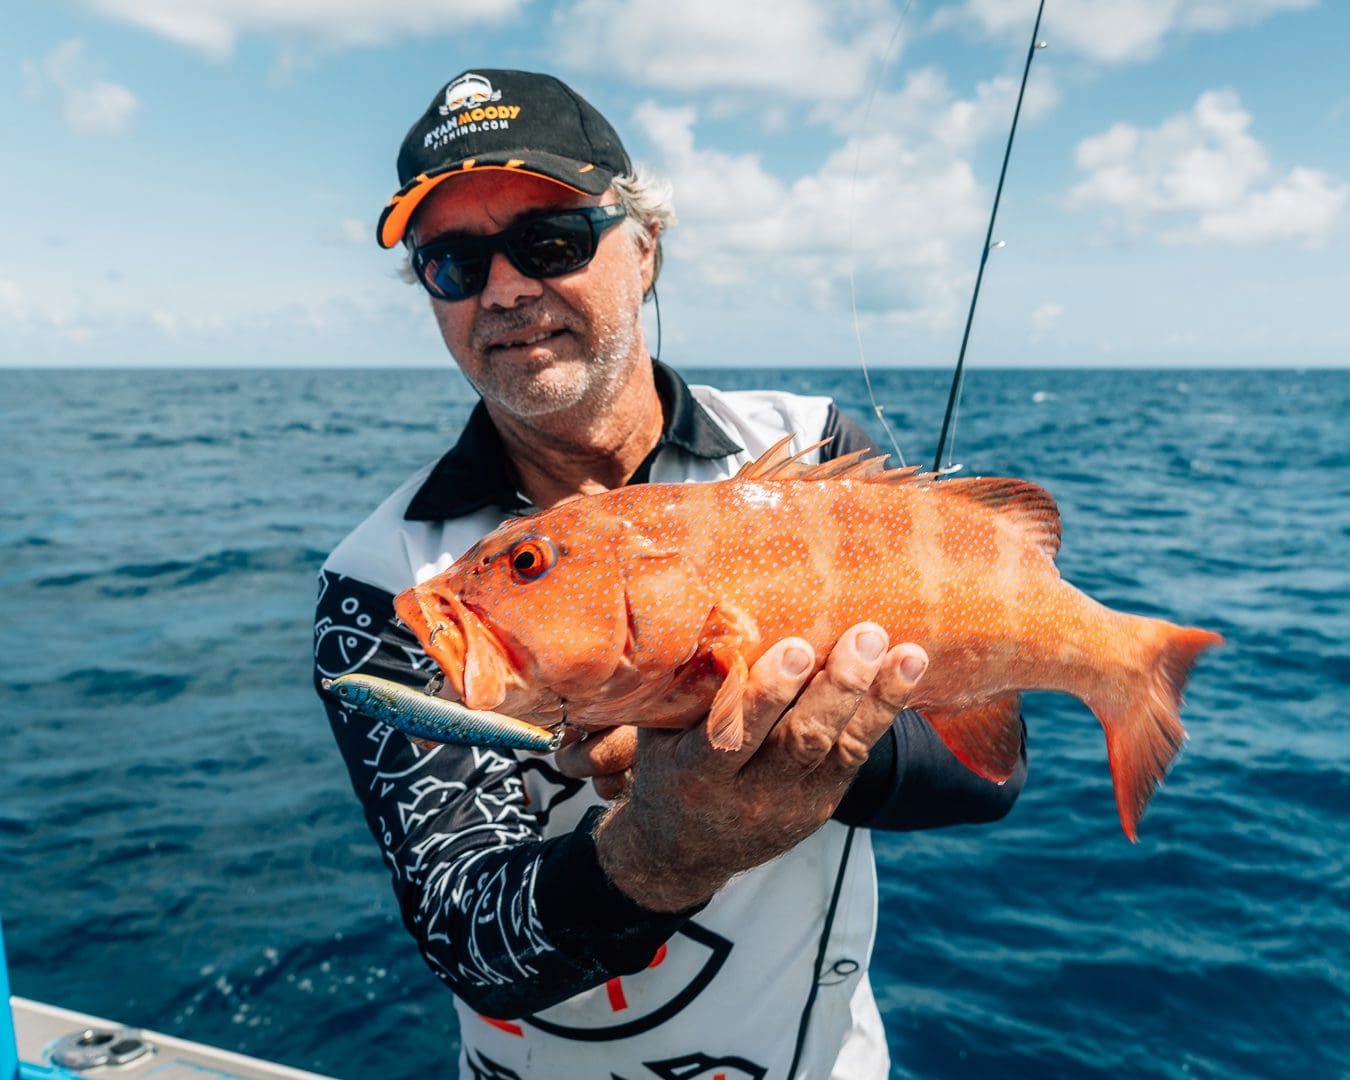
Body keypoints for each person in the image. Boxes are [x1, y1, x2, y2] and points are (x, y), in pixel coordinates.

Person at [314, 68, 1025, 1079]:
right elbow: (463, 930)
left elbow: (990, 777)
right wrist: (660, 847)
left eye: (551, 241)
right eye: (454, 264)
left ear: (645, 247)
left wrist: (772, 735)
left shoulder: (812, 449)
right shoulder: (391, 586)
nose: (504, 289)